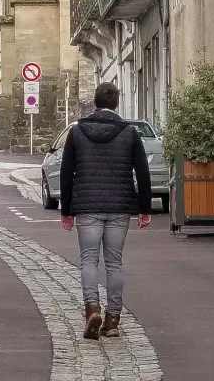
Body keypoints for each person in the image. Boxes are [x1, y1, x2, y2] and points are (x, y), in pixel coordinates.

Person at [58, 82, 151, 341]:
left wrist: (66, 210)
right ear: (116, 104)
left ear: (95, 102)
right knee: (114, 263)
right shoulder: (130, 133)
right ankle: (111, 321)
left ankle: (92, 309)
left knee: (89, 260)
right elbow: (142, 173)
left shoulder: (77, 132)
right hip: (120, 206)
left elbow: (66, 173)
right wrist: (144, 208)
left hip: (87, 206)